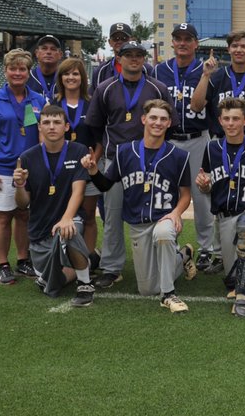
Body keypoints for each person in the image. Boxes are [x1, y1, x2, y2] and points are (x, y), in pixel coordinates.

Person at [83, 99, 197, 313]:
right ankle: (182, 256)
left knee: (164, 234)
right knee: (147, 289)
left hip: (163, 219)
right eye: (153, 117)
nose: (158, 122)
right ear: (144, 119)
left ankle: (168, 295)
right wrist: (93, 172)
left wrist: (176, 213)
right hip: (138, 224)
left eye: (163, 119)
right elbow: (106, 184)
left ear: (169, 123)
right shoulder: (125, 151)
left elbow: (185, 195)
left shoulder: (179, 156)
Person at [82, 41, 176, 290]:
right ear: (119, 58)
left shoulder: (158, 87)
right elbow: (96, 125)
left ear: (144, 58)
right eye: (129, 55)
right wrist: (99, 157)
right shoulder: (105, 88)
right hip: (117, 159)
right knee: (112, 216)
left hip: (151, 161)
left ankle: (164, 257)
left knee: (152, 214)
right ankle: (112, 268)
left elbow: (170, 124)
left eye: (139, 55)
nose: (134, 59)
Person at [196, 97, 245, 315]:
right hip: (226, 217)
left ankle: (242, 296)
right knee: (231, 278)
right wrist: (204, 186)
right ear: (220, 121)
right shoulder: (212, 148)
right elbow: (208, 188)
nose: (231, 123)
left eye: (236, 119)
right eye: (227, 119)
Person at [0, 50, 47, 285]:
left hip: (30, 169)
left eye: (22, 69)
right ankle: (2, 264)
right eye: (13, 68)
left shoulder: (37, 99)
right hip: (2, 169)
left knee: (24, 215)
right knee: (3, 217)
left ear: (29, 72)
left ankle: (23, 259)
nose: (17, 73)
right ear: (5, 70)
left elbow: (41, 136)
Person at [155, 22, 220, 275]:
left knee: (202, 194)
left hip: (198, 137)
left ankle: (206, 248)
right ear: (172, 42)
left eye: (187, 39)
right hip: (169, 140)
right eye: (178, 38)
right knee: (168, 193)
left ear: (196, 43)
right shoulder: (159, 71)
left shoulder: (208, 70)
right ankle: (170, 241)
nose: (182, 43)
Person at [12, 104, 94, 300]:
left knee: (69, 228)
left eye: (57, 122)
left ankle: (85, 284)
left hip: (69, 220)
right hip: (40, 232)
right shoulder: (27, 157)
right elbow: (23, 204)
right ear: (39, 127)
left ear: (66, 127)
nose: (51, 126)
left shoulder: (78, 151)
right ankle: (90, 262)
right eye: (46, 122)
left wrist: (66, 218)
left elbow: (78, 191)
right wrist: (20, 185)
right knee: (50, 283)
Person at [53, 57, 100, 262]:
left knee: (89, 216)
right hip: (62, 171)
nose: (71, 77)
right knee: (63, 213)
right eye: (66, 73)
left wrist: (93, 162)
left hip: (87, 170)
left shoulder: (92, 104)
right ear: (60, 78)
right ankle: (64, 257)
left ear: (82, 77)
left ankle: (87, 260)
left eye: (75, 73)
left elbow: (100, 140)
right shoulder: (53, 103)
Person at [190, 30, 245, 141]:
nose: (239, 50)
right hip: (221, 140)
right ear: (229, 49)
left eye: (243, 46)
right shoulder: (217, 77)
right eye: (234, 46)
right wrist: (206, 75)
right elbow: (196, 107)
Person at [90, 22, 154, 93]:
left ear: (131, 40)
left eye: (124, 38)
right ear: (109, 42)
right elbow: (93, 99)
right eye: (115, 38)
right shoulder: (100, 71)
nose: (120, 41)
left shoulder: (147, 69)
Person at [28, 35, 62, 102]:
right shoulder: (27, 77)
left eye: (53, 49)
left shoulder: (66, 78)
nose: (48, 52)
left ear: (60, 54)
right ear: (37, 53)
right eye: (44, 48)